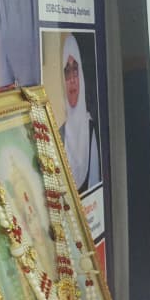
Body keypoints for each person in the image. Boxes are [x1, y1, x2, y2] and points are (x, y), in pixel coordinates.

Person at [59, 35, 101, 193]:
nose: (72, 80)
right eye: (67, 72)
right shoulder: (59, 135)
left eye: (75, 70)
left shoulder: (93, 130)